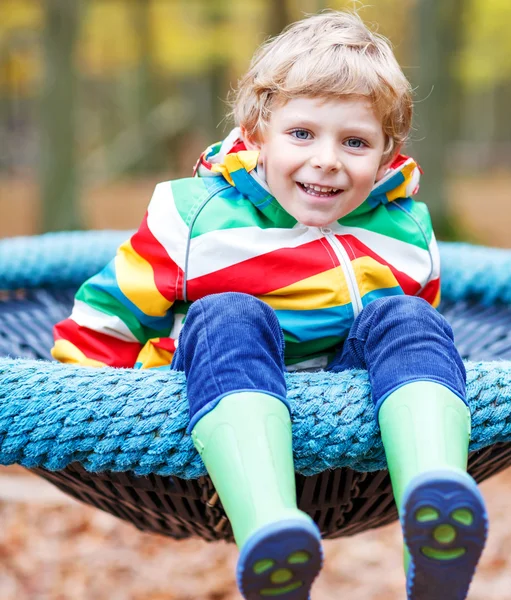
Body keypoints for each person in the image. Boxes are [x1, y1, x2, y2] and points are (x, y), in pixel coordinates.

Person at [52, 11, 487, 600]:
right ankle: (271, 533)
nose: (328, 159)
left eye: (354, 141)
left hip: (348, 403)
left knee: (408, 317)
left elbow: (420, 342)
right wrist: (69, 408)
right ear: (258, 132)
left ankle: (433, 506)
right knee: (230, 311)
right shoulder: (195, 217)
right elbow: (109, 313)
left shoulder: (406, 228)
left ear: (389, 154)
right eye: (302, 134)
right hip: (221, 386)